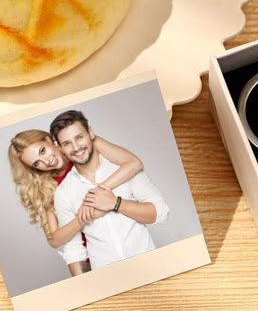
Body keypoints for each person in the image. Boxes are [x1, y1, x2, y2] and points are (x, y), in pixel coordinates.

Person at [9, 127, 144, 276]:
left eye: (42, 151)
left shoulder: (84, 146)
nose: (46, 161)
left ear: (48, 140)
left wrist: (92, 198)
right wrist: (85, 216)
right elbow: (54, 240)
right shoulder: (48, 187)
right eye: (36, 163)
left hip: (128, 239)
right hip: (90, 255)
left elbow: (134, 163)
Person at [50, 110, 170, 271]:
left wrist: (116, 203)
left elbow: (161, 212)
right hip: (106, 277)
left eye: (79, 137)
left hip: (151, 266)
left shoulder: (124, 169)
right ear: (60, 148)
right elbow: (74, 250)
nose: (76, 147)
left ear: (91, 133)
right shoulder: (64, 192)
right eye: (67, 143)